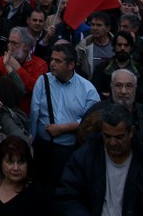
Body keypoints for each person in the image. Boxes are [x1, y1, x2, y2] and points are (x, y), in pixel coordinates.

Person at [56, 103, 143, 215]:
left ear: (131, 132)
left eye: (119, 137)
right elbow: (68, 197)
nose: (112, 142)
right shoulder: (85, 158)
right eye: (107, 136)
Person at [30, 43, 99, 185]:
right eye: (52, 60)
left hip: (69, 151)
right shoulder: (43, 81)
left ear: (71, 65)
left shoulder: (87, 90)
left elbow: (91, 121)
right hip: (43, 149)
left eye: (58, 61)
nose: (52, 64)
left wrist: (63, 128)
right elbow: (34, 114)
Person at [0, 135, 46, 216]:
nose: (16, 168)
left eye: (21, 162)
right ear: (0, 163)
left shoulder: (36, 195)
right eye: (10, 162)